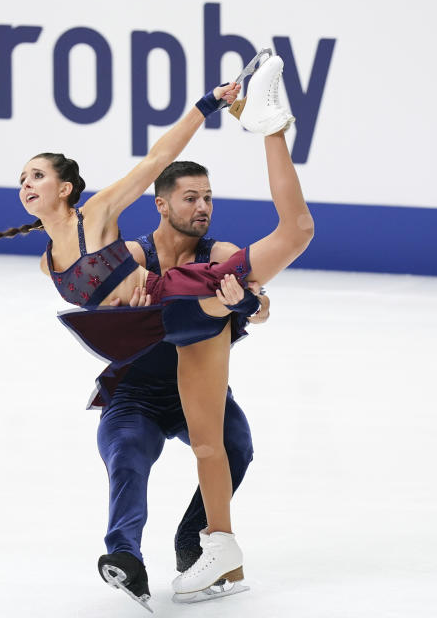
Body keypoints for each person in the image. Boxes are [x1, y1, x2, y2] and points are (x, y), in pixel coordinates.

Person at [0, 53, 313, 602]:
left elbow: (159, 156)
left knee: (293, 235)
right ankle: (154, 552)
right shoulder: (48, 261)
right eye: (21, 178)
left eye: (37, 175)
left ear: (66, 188)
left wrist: (208, 104)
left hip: (182, 302)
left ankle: (268, 125)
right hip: (156, 345)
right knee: (155, 449)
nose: (26, 184)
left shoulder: (94, 217)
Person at [94, 159, 269, 606]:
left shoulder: (218, 253)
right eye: (191, 198)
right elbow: (91, 294)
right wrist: (117, 311)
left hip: (201, 389)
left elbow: (262, 303)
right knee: (128, 453)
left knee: (236, 446)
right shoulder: (135, 256)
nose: (203, 206)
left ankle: (193, 540)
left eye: (208, 197)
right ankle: (125, 556)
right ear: (161, 204)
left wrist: (248, 302)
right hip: (138, 393)